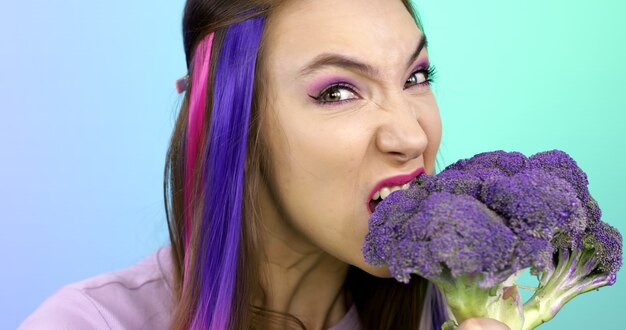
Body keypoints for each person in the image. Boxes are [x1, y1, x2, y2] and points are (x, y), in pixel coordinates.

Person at [20, 0, 510, 329]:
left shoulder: (456, 308)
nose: (412, 135)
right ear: (231, 121)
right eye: (338, 92)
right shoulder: (88, 322)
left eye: (416, 76)